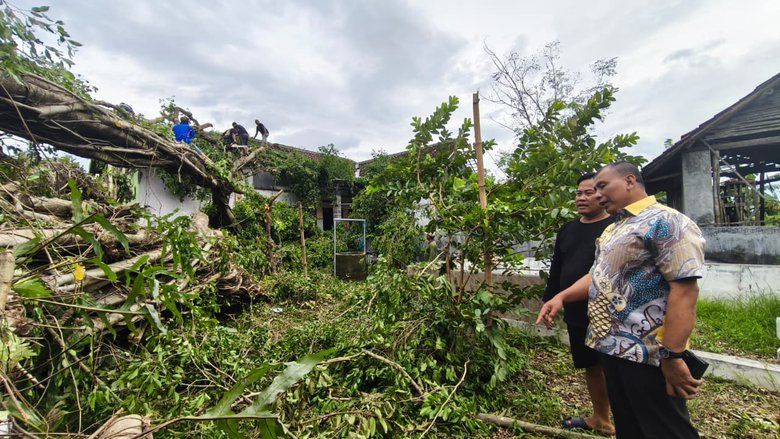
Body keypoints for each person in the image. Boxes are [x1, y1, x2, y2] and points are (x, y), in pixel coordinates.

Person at [536, 161, 705, 439]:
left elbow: (685, 292)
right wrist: (561, 297)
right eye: (594, 189)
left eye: (602, 186)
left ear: (629, 181)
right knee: (629, 425)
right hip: (611, 347)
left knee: (665, 428)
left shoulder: (667, 222)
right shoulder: (615, 228)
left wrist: (673, 356)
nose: (597, 194)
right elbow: (598, 276)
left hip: (648, 353)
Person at [543, 173, 614, 435]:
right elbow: (557, 267)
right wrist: (550, 299)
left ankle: (629, 420)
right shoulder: (568, 229)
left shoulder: (614, 228)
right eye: (578, 193)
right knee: (590, 364)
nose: (581, 198)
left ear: (602, 194)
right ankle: (601, 418)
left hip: (608, 310)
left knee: (614, 366)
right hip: (575, 310)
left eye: (588, 193)